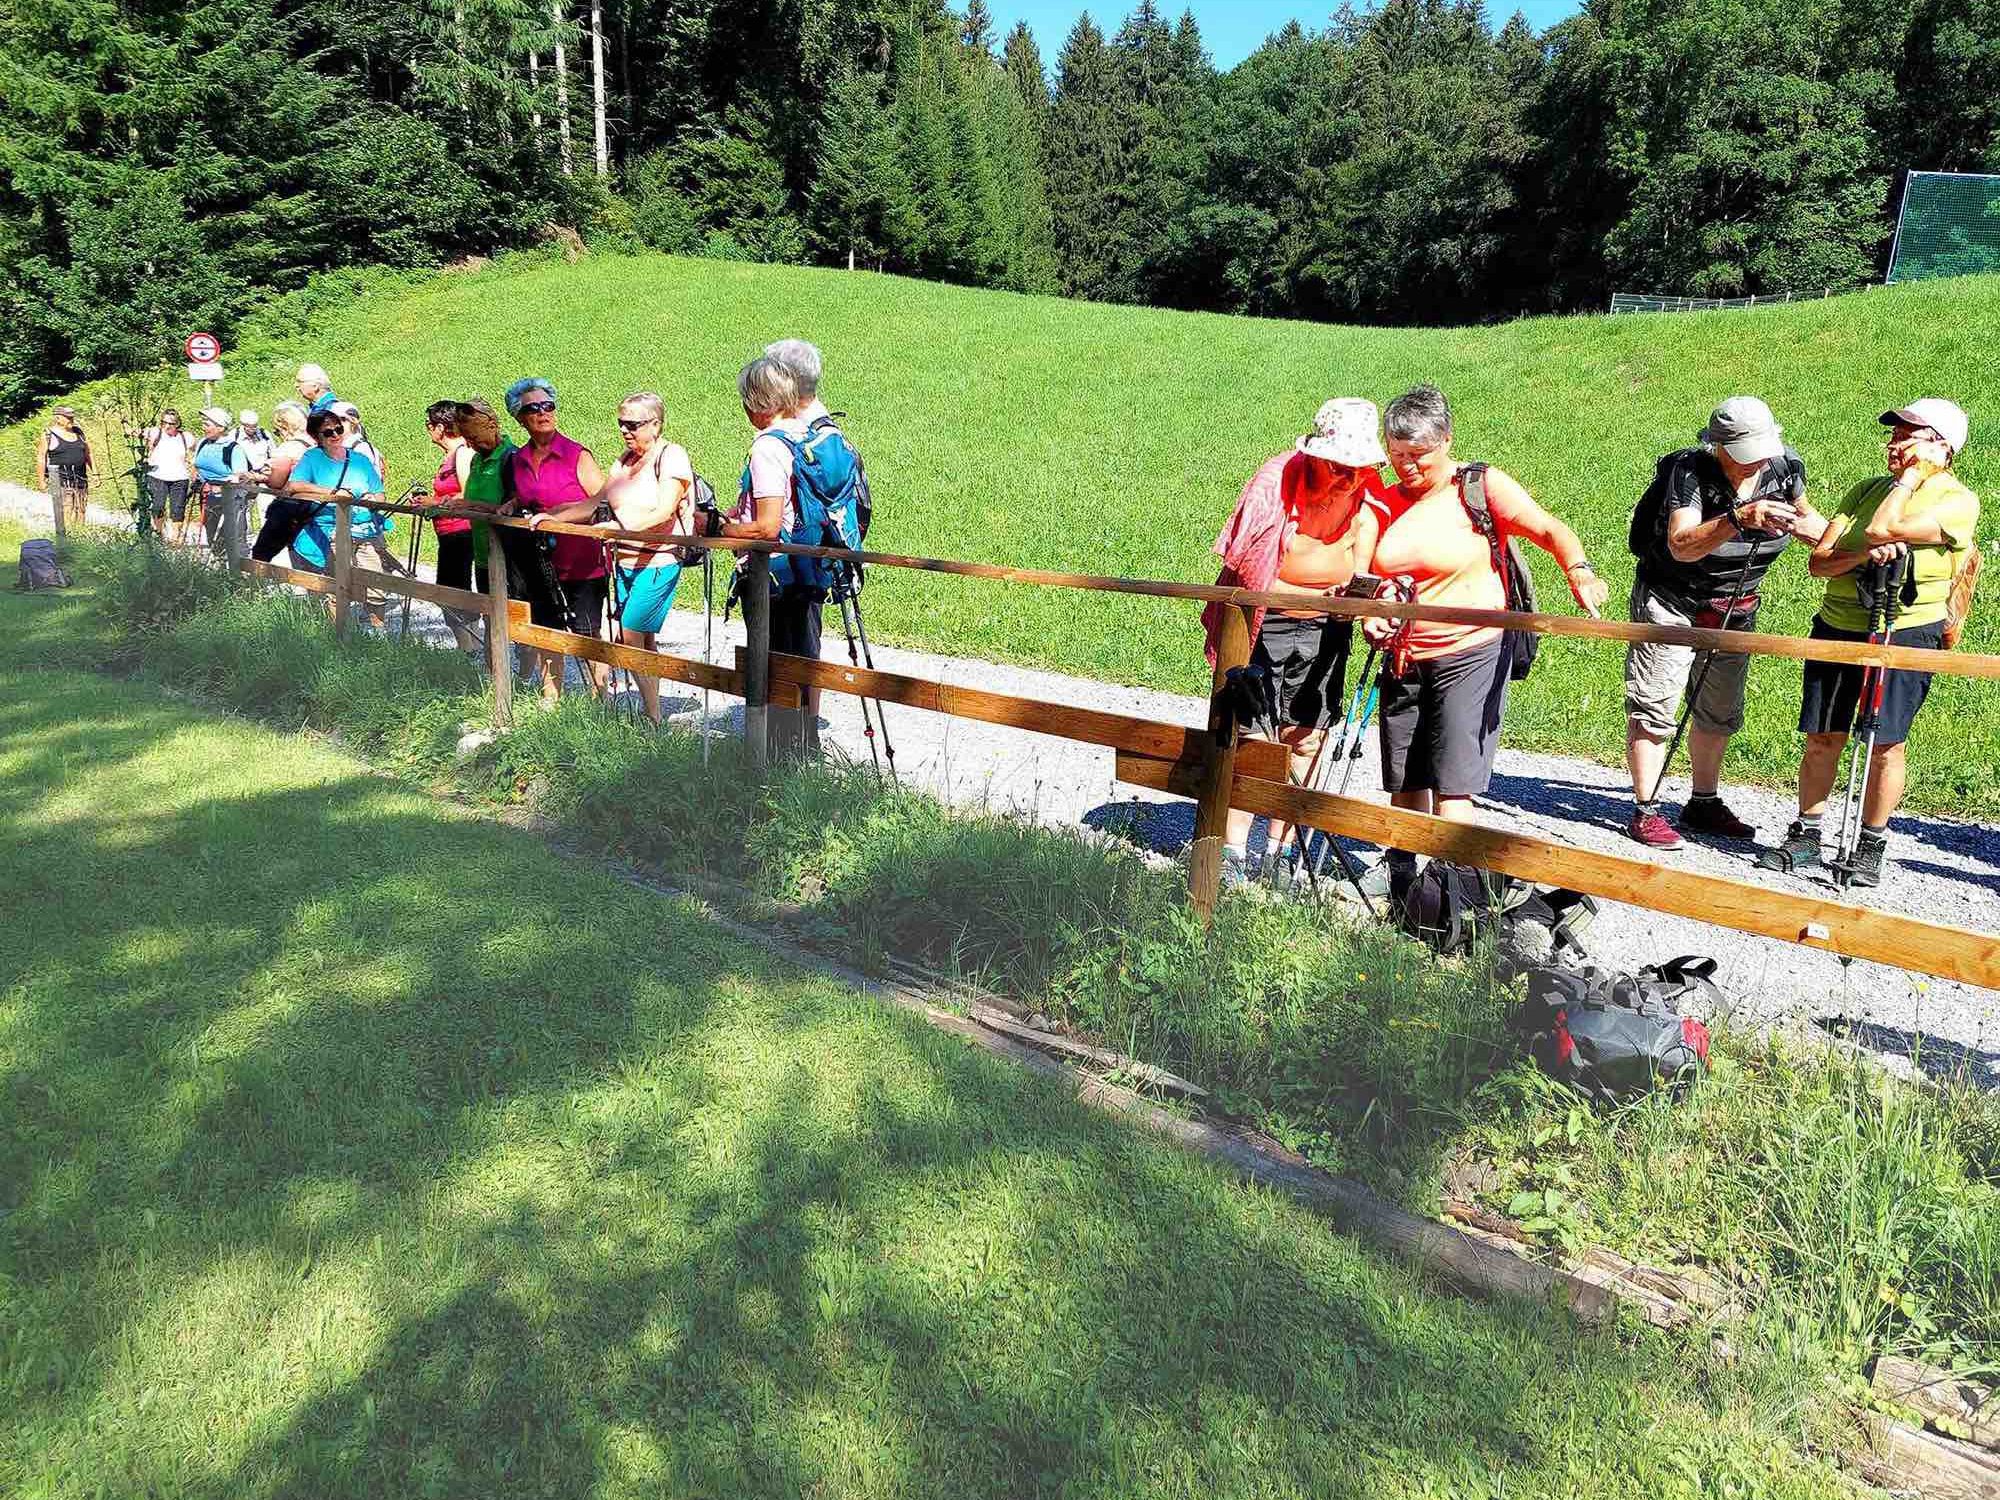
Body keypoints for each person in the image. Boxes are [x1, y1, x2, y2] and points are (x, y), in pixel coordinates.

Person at [1362, 385, 1609, 887]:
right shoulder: (1383, 502)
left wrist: (1579, 571)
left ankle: (1454, 888)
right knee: (1406, 778)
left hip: (1470, 649)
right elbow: (1362, 573)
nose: (1406, 466)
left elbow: (1548, 529)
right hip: (1404, 655)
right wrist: (1371, 610)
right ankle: (1405, 882)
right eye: (1396, 454)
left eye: (1418, 455)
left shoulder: (1478, 488)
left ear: (1447, 441)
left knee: (1454, 782)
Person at [1758, 399, 1980, 887]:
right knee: (1823, 735)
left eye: (1908, 436)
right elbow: (1820, 561)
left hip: (1906, 630)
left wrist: (1905, 485)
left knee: (1885, 744)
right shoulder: (1865, 489)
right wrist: (1862, 556)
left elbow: (1885, 528)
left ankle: (1871, 844)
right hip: (1838, 622)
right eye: (1894, 434)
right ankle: (1807, 835)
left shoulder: (1955, 500)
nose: (1894, 444)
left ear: (1941, 446)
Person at [1201, 398, 1394, 882]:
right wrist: (1314, 593)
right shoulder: (1273, 487)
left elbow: (1364, 573)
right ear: (1314, 455)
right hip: (1263, 627)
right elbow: (1248, 575)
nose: (1350, 478)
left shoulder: (1365, 497)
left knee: (1306, 740)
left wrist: (1364, 605)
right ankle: (1230, 855)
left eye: (1359, 468)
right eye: (1339, 467)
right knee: (1250, 738)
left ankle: (1279, 855)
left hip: (1326, 634)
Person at [1623, 397, 1825, 848]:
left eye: (1764, 447)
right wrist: (1739, 518)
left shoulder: (1785, 466)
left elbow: (1809, 518)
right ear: (1720, 447)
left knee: (1719, 709)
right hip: (1671, 599)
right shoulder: (1690, 472)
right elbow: (1680, 544)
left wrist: (1849, 546)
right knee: (1655, 704)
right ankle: (1645, 809)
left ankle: (1703, 801)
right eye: (1748, 451)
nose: (1760, 460)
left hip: (1737, 604)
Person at [526, 392, 697, 724]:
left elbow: (663, 511)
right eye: (621, 424)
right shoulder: (624, 461)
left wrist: (619, 528)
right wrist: (553, 516)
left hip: (658, 561)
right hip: (624, 563)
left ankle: (651, 718)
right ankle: (651, 714)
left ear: (655, 424)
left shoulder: (671, 456)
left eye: (632, 425)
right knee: (642, 640)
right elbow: (594, 503)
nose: (625, 431)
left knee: (628, 634)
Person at [715, 354, 820, 749]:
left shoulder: (767, 447)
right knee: (803, 656)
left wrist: (724, 529)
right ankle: (805, 749)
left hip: (775, 574)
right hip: (807, 566)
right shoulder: (805, 433)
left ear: (759, 402)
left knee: (774, 662)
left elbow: (769, 526)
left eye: (746, 399)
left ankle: (775, 757)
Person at [506, 377, 608, 701]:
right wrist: (512, 503)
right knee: (546, 628)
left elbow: (602, 500)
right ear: (520, 418)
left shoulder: (576, 454)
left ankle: (599, 701)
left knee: (586, 632)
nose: (543, 412)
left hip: (582, 560)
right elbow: (524, 496)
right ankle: (551, 699)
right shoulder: (518, 459)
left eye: (548, 405)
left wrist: (558, 518)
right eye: (532, 408)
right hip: (540, 561)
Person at [281, 406, 385, 593]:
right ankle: (338, 622)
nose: (335, 435)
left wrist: (372, 500)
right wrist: (333, 493)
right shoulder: (312, 458)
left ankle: (377, 622)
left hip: (364, 530)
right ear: (317, 436)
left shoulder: (360, 459)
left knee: (376, 586)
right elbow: (294, 485)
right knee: (338, 588)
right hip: (332, 530)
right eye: (328, 432)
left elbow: (379, 493)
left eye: (339, 429)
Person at [422, 400, 484, 654]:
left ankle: (470, 648)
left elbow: (470, 494)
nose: (428, 431)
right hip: (450, 532)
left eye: (428, 425)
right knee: (451, 588)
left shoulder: (462, 453)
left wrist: (434, 503)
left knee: (450, 590)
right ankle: (469, 646)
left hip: (462, 531)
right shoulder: (453, 454)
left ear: (440, 427)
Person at [192, 406, 253, 556]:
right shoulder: (203, 443)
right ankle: (218, 558)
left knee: (234, 531)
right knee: (210, 528)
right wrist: (198, 480)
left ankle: (238, 567)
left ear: (220, 427)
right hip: (209, 494)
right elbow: (197, 465)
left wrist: (224, 485)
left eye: (207, 424)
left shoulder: (233, 448)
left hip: (232, 495)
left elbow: (240, 474)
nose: (203, 427)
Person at [35, 405, 93, 538]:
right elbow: (41, 458)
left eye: (72, 417)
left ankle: (80, 539)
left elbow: (88, 453)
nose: (71, 420)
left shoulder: (79, 432)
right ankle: (66, 541)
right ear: (58, 418)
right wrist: (41, 481)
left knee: (81, 509)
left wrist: (95, 473)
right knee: (67, 510)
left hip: (81, 479)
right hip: (61, 480)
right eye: (68, 417)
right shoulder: (48, 434)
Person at [141, 409, 197, 546]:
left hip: (179, 477)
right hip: (157, 475)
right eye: (164, 422)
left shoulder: (186, 437)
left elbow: (197, 452)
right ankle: (159, 534)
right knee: (158, 506)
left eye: (171, 423)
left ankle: (175, 539)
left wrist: (194, 470)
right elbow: (134, 432)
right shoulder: (155, 432)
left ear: (177, 423)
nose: (167, 426)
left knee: (178, 509)